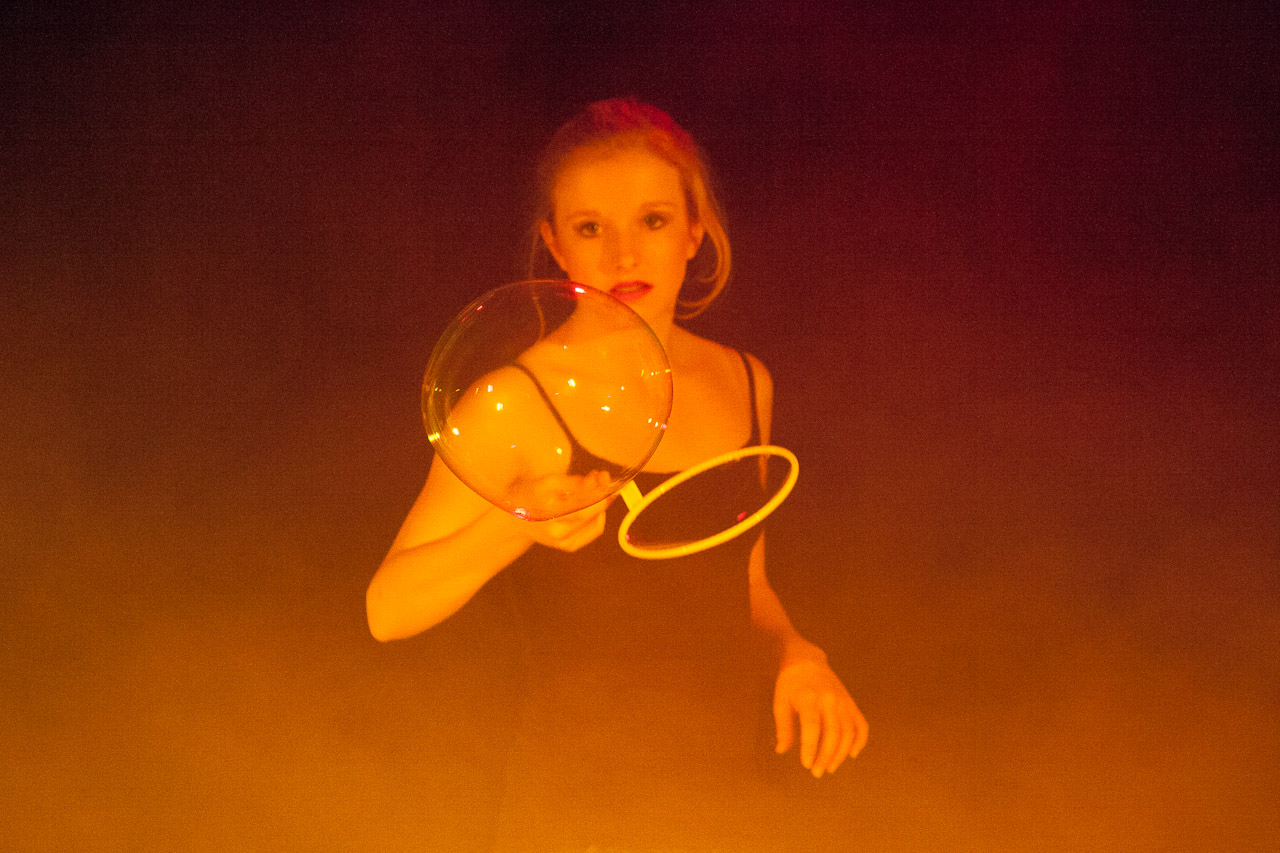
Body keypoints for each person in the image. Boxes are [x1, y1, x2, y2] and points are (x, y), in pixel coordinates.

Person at [366, 97, 868, 852]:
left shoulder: (745, 380)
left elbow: (746, 582)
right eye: (591, 228)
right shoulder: (515, 401)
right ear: (555, 244)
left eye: (653, 221)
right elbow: (387, 608)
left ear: (695, 231)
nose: (623, 255)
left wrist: (799, 653)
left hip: (735, 786)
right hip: (580, 806)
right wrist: (516, 523)